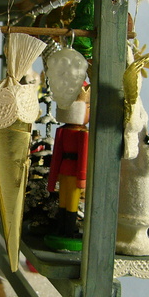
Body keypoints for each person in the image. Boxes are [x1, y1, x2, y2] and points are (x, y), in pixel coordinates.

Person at [46, 86, 90, 247]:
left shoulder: (82, 133)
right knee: (64, 201)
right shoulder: (64, 132)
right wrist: (52, 178)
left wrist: (82, 177)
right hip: (66, 172)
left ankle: (68, 229)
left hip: (72, 173)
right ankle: (63, 228)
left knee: (70, 201)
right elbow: (57, 155)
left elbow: (83, 157)